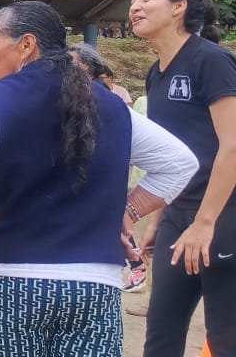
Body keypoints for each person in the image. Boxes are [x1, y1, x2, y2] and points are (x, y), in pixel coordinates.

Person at [0, 1, 197, 357]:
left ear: (26, 45)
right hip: (94, 283)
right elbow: (180, 163)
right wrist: (129, 211)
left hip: (11, 281)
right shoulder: (110, 104)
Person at [130, 0, 236, 356]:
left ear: (178, 7)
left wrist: (205, 222)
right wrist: (159, 220)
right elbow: (171, 159)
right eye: (133, 0)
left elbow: (235, 147)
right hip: (183, 212)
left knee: (227, 342)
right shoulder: (156, 73)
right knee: (160, 332)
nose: (134, 7)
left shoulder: (212, 60)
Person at [70, 42, 150, 294]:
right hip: (94, 170)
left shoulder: (100, 96)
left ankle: (136, 264)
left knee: (113, 220)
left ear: (86, 66)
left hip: (98, 170)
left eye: (71, 61)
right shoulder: (81, 92)